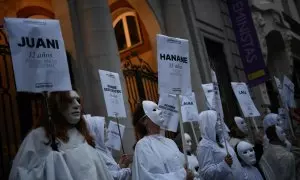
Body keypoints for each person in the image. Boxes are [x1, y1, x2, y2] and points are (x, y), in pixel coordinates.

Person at [9, 90, 113, 180]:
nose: (77, 105)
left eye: (78, 100)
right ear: (56, 105)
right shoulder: (39, 137)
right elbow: (21, 174)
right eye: (69, 101)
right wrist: (53, 163)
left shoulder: (81, 135)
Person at [131, 101, 194, 180]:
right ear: (145, 121)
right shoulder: (143, 146)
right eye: (154, 110)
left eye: (159, 109)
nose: (160, 112)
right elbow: (148, 177)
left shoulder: (170, 142)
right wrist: (182, 175)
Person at [197, 110, 244, 180]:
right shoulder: (204, 146)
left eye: (219, 120)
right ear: (208, 123)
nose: (219, 123)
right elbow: (206, 173)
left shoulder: (223, 141)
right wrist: (224, 165)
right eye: (216, 120)